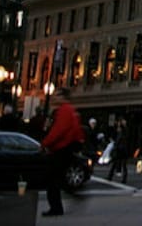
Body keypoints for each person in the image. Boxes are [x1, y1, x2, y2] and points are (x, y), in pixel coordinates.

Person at [39, 88, 84, 218]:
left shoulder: (64, 110)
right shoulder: (71, 111)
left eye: (56, 95)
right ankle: (67, 196)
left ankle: (56, 207)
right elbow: (76, 130)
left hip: (61, 148)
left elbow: (58, 130)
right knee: (58, 177)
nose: (54, 97)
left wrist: (45, 143)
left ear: (63, 97)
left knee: (52, 178)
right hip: (66, 148)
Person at [107, 117, 129, 183]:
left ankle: (110, 176)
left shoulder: (123, 131)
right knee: (121, 164)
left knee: (119, 164)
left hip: (121, 149)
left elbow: (119, 140)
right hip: (122, 149)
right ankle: (111, 176)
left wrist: (115, 146)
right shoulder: (123, 131)